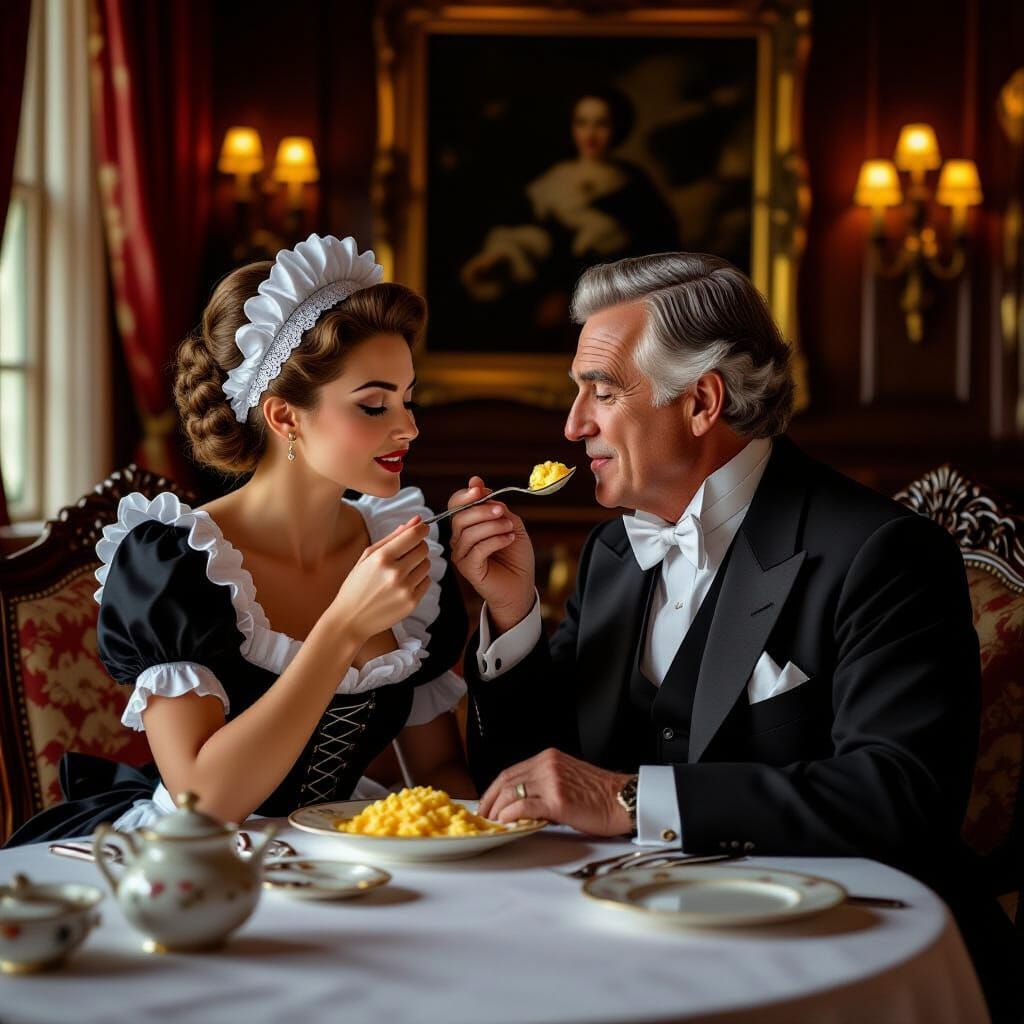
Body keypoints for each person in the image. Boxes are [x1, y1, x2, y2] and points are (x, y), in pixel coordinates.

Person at [449, 252, 1019, 1019]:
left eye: (603, 392)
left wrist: (628, 796)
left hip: (834, 960)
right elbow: (532, 780)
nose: (573, 424)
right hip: (622, 947)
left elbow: (899, 799)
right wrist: (514, 619)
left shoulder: (881, 553)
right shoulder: (614, 554)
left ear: (702, 402)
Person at [6, 233, 471, 844]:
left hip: (341, 863)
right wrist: (341, 629)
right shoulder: (172, 561)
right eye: (373, 405)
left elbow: (437, 770)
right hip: (192, 865)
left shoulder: (406, 550)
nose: (408, 426)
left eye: (407, 399)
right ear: (284, 417)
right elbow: (205, 801)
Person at [458, 87, 678, 348]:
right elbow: (529, 237)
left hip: (619, 314)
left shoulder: (634, 183)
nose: (591, 134)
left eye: (601, 124)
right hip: (552, 310)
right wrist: (500, 258)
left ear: (617, 128)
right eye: (582, 123)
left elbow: (658, 248)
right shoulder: (552, 182)